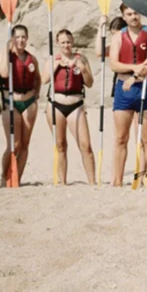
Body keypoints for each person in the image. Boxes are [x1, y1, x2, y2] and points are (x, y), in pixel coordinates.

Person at [109, 5, 147, 186]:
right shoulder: (118, 37)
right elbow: (114, 64)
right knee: (121, 138)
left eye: (136, 13)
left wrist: (135, 77)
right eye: (129, 14)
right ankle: (117, 181)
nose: (133, 17)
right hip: (123, 90)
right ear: (123, 17)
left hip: (146, 87)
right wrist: (134, 68)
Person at [42, 29, 95, 185]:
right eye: (63, 42)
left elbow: (90, 83)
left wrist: (82, 69)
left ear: (73, 42)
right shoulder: (52, 59)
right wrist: (55, 66)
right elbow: (44, 80)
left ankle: (92, 181)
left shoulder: (81, 59)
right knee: (60, 145)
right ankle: (63, 182)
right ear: (58, 44)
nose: (66, 45)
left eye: (68, 42)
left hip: (76, 105)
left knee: (85, 145)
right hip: (55, 105)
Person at [0, 24, 40, 185]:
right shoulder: (5, 55)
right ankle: (4, 175)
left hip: (29, 102)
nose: (20, 40)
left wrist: (36, 93)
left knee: (24, 144)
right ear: (12, 39)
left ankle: (16, 179)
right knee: (14, 144)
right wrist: (7, 50)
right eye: (17, 37)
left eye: (23, 37)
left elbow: (37, 78)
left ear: (27, 39)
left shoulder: (31, 58)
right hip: (11, 102)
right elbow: (3, 73)